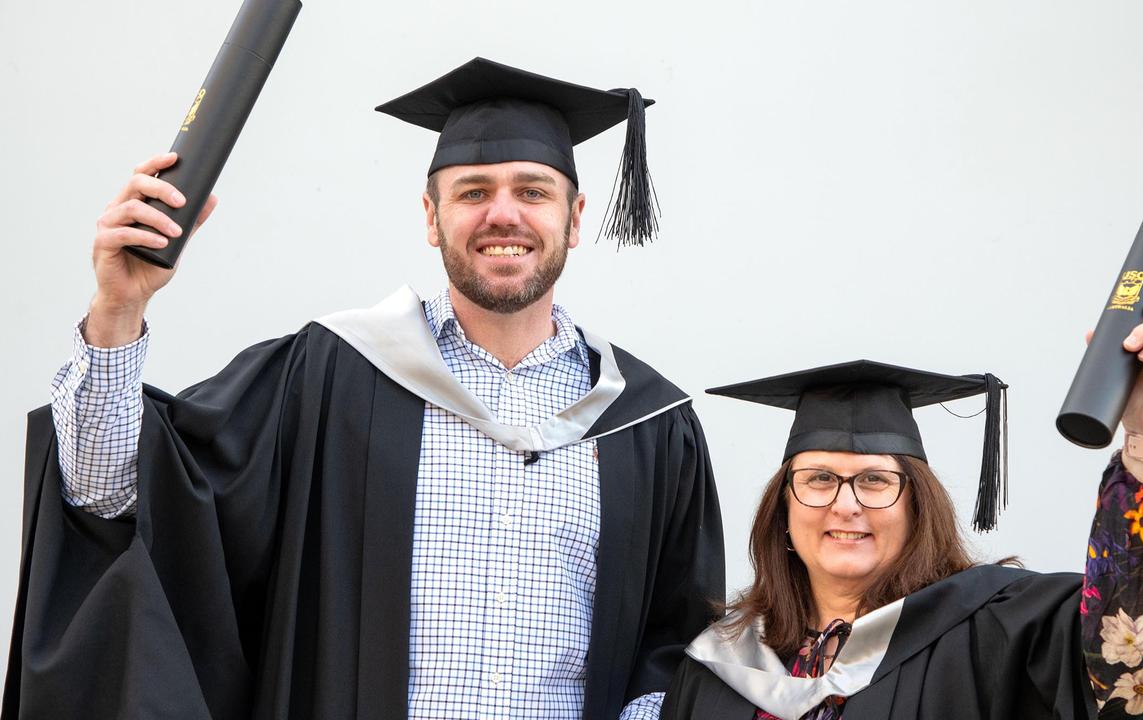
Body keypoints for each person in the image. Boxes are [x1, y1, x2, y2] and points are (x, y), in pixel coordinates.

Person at [5, 58, 723, 720]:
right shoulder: (327, 376)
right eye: (473, 192)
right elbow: (106, 493)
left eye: (532, 191)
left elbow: (679, 649)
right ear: (430, 217)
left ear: (574, 218)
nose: (503, 214)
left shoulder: (646, 423)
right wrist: (119, 308)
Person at [660, 300, 1143, 720]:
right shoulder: (724, 661)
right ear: (782, 511)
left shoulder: (1000, 629)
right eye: (818, 480)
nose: (845, 504)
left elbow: (1142, 651)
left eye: (876, 481)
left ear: (918, 507)